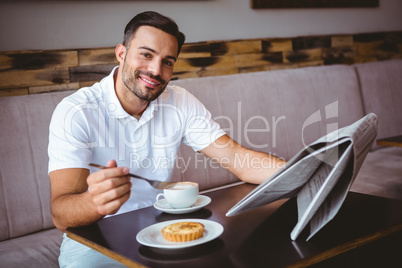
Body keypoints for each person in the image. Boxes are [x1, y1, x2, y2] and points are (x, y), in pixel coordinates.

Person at [48, 11, 286, 267]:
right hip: (93, 241)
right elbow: (61, 214)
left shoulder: (178, 100)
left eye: (168, 62)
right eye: (146, 54)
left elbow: (238, 159)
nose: (155, 70)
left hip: (159, 231)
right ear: (121, 53)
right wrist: (93, 203)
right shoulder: (76, 111)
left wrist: (305, 173)